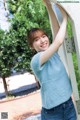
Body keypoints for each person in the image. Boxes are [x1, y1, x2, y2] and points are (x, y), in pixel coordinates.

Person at [27, 0, 77, 120]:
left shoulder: (53, 54)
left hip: (68, 105)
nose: (42, 40)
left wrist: (48, 6)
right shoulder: (36, 60)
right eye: (36, 39)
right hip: (52, 113)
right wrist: (65, 17)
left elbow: (56, 29)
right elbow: (59, 41)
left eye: (44, 36)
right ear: (32, 46)